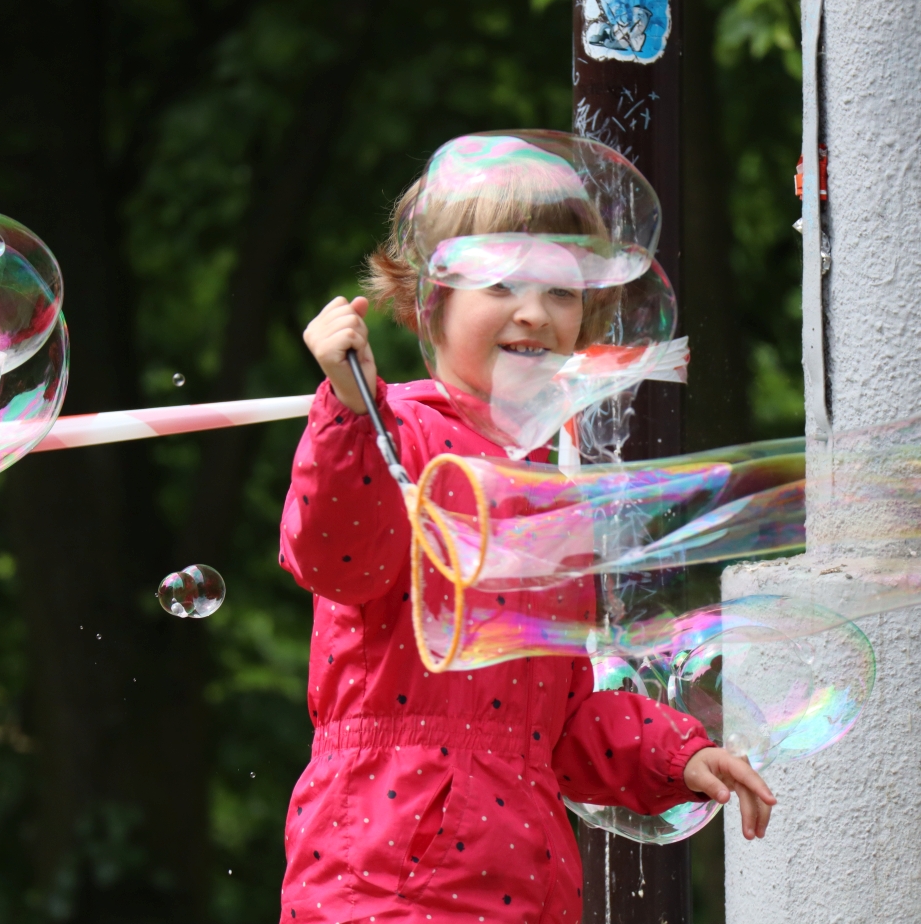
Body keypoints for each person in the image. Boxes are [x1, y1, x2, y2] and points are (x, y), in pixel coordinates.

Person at [278, 174, 775, 923]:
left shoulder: (551, 489)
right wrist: (350, 413)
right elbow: (337, 559)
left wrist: (675, 756)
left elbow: (564, 725)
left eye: (564, 292)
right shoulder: (393, 434)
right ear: (430, 301)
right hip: (385, 875)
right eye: (501, 281)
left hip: (527, 881)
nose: (535, 313)